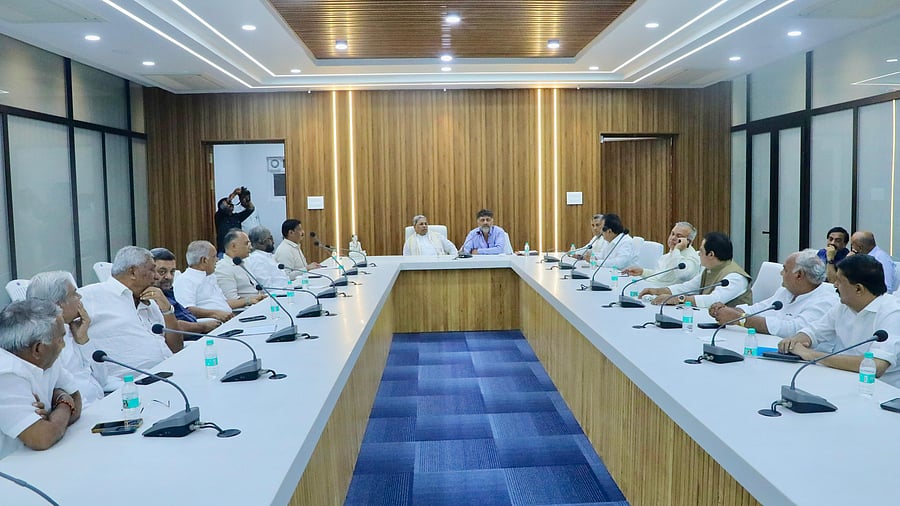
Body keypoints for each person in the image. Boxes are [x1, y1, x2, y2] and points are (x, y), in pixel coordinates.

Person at [777, 254, 900, 387]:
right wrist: (794, 341)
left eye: (839, 281)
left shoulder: (892, 313)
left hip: (881, 392)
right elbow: (814, 331)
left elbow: (876, 365)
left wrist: (811, 355)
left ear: (858, 288)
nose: (834, 285)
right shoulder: (843, 306)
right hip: (844, 381)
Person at [79, 246, 183, 379]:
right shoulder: (91, 296)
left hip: (169, 373)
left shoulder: (151, 298)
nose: (156, 276)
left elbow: (176, 347)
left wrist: (167, 310)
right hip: (128, 384)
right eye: (152, 270)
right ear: (133, 272)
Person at [0, 299, 82, 459]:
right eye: (60, 338)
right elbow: (42, 438)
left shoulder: (46, 359)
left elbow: (77, 399)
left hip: (39, 458)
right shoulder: (5, 373)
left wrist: (55, 412)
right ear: (38, 348)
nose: (63, 345)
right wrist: (64, 404)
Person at [26, 271, 112, 406]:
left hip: (100, 402)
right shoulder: (45, 344)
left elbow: (102, 379)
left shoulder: (73, 329)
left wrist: (84, 341)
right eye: (74, 294)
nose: (80, 297)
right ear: (58, 305)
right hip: (80, 413)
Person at [708, 249, 838, 337]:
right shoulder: (786, 292)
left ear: (799, 275)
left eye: (785, 270)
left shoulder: (826, 300)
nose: (781, 274)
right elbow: (758, 309)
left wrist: (741, 319)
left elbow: (793, 329)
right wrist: (725, 310)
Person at [640, 232, 751, 307]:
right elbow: (687, 287)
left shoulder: (735, 277)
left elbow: (713, 300)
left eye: (701, 251)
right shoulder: (710, 269)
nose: (698, 254)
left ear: (711, 254)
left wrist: (677, 299)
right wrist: (657, 291)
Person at [150, 248, 223, 336]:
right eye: (162, 272)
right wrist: (202, 326)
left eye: (172, 272)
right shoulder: (151, 295)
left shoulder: (168, 291)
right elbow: (172, 326)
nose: (169, 277)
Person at [173, 240, 244, 317]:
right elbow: (187, 309)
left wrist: (248, 301)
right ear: (204, 260)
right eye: (214, 256)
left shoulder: (211, 276)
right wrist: (215, 314)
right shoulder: (185, 280)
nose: (217, 260)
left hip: (227, 318)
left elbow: (223, 303)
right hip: (210, 323)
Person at [622, 221, 700, 285]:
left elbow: (682, 275)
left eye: (678, 236)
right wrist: (642, 271)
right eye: (672, 234)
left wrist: (677, 249)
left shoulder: (691, 257)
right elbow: (660, 276)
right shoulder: (669, 254)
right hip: (650, 288)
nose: (673, 238)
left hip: (664, 297)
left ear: (688, 242)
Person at [215, 230, 267, 304]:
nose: (251, 247)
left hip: (257, 304)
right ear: (233, 246)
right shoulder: (223, 268)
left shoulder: (243, 263)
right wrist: (250, 300)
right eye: (246, 244)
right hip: (245, 310)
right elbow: (230, 301)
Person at [214, 186, 255, 254]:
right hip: (224, 251)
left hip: (237, 249)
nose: (230, 205)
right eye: (228, 204)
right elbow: (223, 206)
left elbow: (251, 209)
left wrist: (246, 199)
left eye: (231, 204)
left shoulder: (237, 217)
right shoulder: (219, 217)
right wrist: (233, 194)